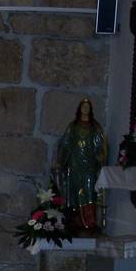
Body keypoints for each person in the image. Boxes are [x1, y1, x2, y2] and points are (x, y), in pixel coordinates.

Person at [56, 98, 107, 234]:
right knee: (74, 191)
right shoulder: (72, 127)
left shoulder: (95, 127)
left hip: (89, 165)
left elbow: (100, 146)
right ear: (79, 109)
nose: (85, 109)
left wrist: (100, 158)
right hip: (75, 164)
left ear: (90, 109)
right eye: (83, 106)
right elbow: (65, 144)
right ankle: (75, 221)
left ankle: (89, 222)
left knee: (89, 191)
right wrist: (60, 161)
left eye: (87, 107)